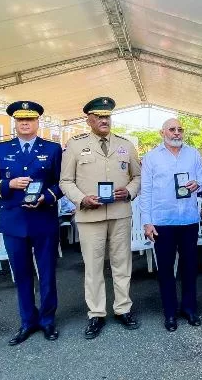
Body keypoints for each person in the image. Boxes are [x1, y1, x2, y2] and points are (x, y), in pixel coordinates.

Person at [60, 97, 141, 339]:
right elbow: (65, 181)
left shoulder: (126, 144)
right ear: (89, 119)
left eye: (107, 116)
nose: (104, 120)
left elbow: (137, 177)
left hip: (119, 213)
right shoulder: (75, 145)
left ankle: (123, 308)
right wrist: (81, 199)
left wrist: (129, 191)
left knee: (122, 264)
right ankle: (96, 313)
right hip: (90, 215)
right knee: (93, 267)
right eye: (99, 116)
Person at [0, 101, 62, 345]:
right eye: (20, 120)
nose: (25, 123)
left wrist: (45, 197)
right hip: (14, 222)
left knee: (47, 274)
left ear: (38, 122)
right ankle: (27, 321)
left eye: (30, 119)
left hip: (43, 219)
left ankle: (47, 321)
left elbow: (62, 183)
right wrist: (8, 185)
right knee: (22, 275)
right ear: (15, 123)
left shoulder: (53, 149)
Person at [140, 118, 202, 332]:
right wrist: (147, 222)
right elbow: (146, 191)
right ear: (162, 133)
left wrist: (198, 184)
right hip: (162, 221)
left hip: (188, 219)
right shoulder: (151, 158)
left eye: (180, 129)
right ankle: (169, 312)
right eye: (172, 129)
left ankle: (189, 308)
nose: (177, 133)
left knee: (190, 268)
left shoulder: (193, 154)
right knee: (166, 270)